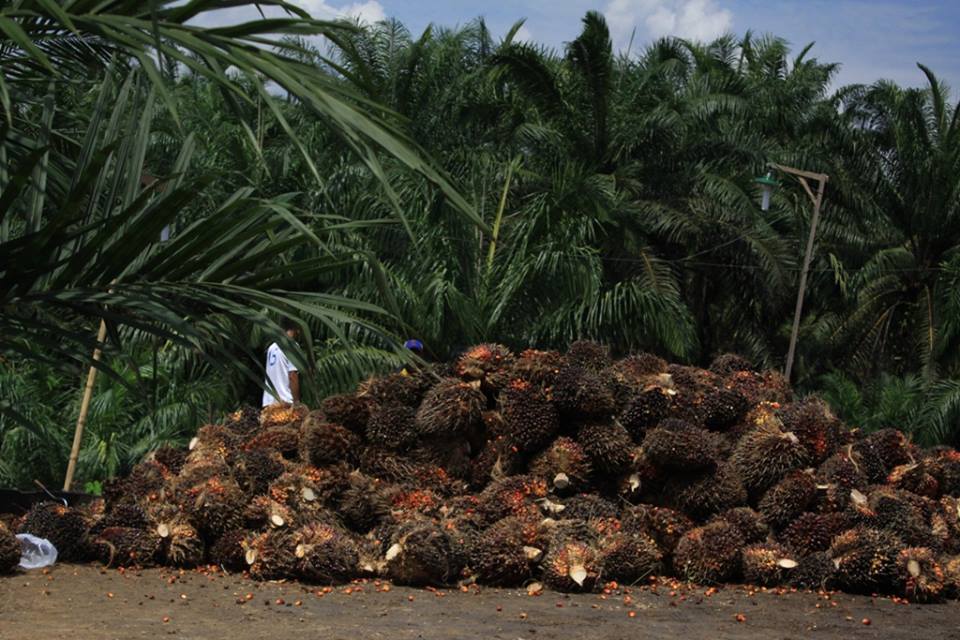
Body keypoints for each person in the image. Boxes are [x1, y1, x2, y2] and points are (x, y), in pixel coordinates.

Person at [262, 318, 301, 406]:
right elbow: (292, 376)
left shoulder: (272, 347)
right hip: (284, 402)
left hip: (269, 402)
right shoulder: (292, 346)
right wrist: (297, 402)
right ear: (297, 328)